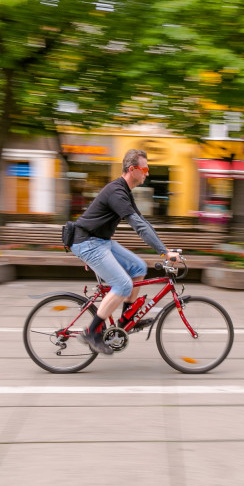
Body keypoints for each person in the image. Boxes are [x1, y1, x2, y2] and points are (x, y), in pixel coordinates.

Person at [69, 149, 180, 354]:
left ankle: (127, 319)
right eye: (145, 169)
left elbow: (143, 222)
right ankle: (92, 332)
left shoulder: (124, 191)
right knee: (122, 284)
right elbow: (138, 226)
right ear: (132, 169)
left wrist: (164, 248)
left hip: (100, 241)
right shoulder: (117, 193)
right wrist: (164, 253)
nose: (147, 173)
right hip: (88, 243)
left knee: (138, 267)